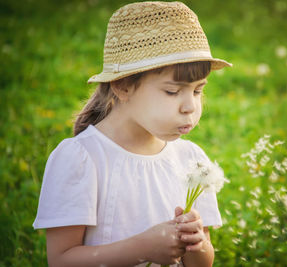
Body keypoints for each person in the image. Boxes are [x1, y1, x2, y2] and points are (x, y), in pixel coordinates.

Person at [33, 1, 232, 267]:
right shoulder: (83, 159)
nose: (190, 107)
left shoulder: (192, 161)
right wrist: (142, 249)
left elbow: (202, 263)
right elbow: (61, 260)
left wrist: (197, 243)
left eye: (197, 90)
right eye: (172, 92)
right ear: (123, 87)